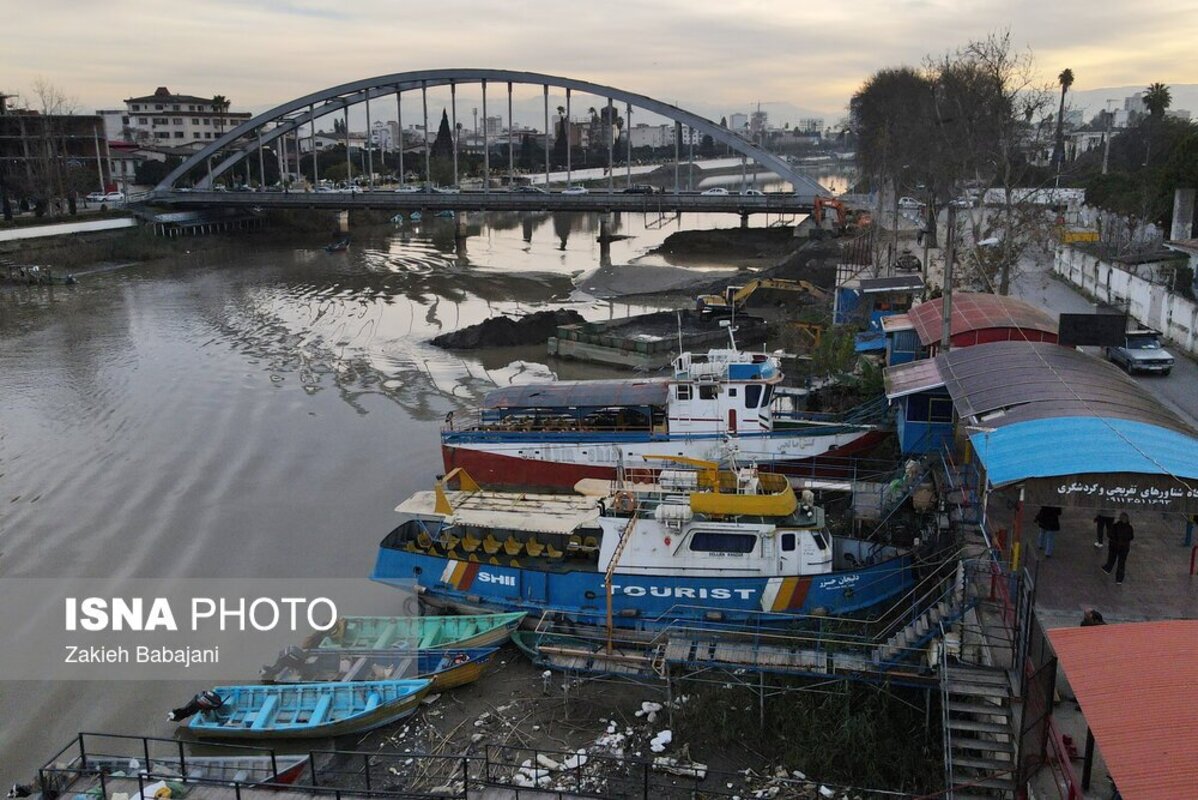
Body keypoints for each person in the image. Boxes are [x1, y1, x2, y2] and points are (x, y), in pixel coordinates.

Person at [1102, 512, 1134, 585]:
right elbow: (1131, 537)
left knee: (1111, 558)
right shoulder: (1129, 527)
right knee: (1121, 563)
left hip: (1114, 546)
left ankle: (1108, 569)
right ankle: (1119, 579)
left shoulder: (1115, 526)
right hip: (1124, 548)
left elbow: (1109, 534)